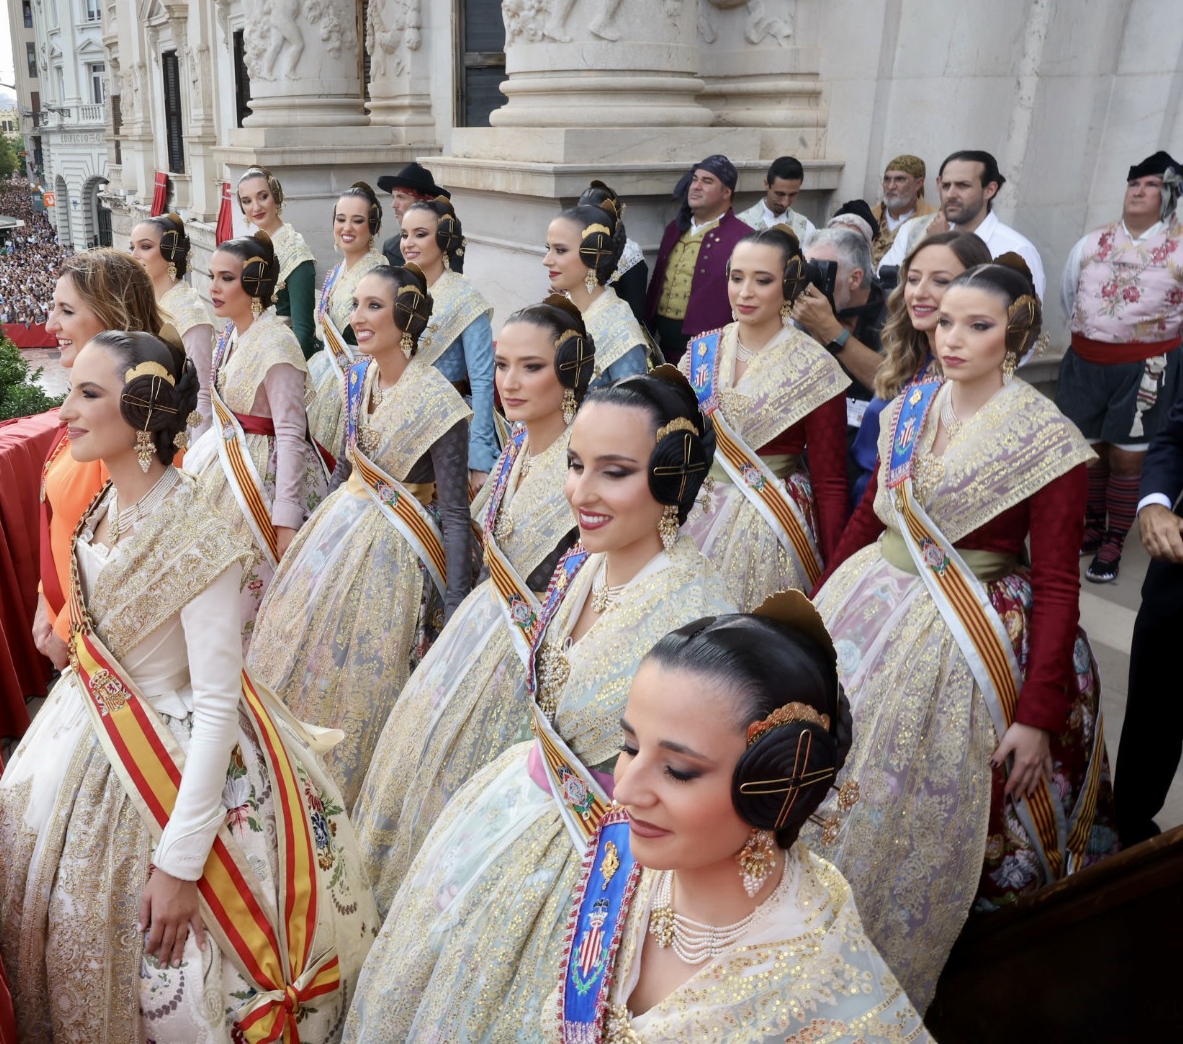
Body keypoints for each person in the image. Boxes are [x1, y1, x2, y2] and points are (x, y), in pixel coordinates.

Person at [0, 330, 376, 1043]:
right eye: (72, 391)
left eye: (88, 394)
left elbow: (219, 702)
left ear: (141, 412)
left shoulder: (197, 537)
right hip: (88, 736)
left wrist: (179, 863)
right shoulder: (106, 505)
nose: (66, 410)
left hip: (172, 769)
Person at [345, 371, 736, 1043]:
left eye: (614, 472)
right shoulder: (582, 566)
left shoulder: (698, 622)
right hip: (515, 814)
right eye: (576, 465)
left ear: (670, 476)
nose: (581, 492)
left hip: (596, 872)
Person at [807, 256, 1116, 1011]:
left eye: (977, 326)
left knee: (940, 803)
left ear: (1016, 336)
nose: (952, 338)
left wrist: (1038, 714)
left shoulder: (1049, 441)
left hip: (974, 637)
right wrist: (812, 615)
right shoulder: (909, 407)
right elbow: (869, 518)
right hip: (870, 607)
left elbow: (1057, 583)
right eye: (945, 321)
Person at [544, 594, 930, 1043]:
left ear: (776, 785)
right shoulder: (624, 865)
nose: (624, 791)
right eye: (630, 748)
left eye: (678, 771)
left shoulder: (816, 982)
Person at [353, 297, 594, 910]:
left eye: (531, 367)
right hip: (480, 632)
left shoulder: (587, 468)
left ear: (569, 371)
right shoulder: (519, 447)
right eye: (503, 365)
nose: (509, 382)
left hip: (531, 657)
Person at [247, 264, 475, 805]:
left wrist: (457, 604)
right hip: (337, 534)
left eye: (374, 306)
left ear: (407, 316)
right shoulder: (357, 378)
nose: (358, 318)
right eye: (355, 305)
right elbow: (346, 468)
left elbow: (455, 511)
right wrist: (311, 533)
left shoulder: (441, 404)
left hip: (398, 559)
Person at [680, 225, 851, 610]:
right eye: (737, 278)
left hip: (771, 525)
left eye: (762, 280)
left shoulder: (816, 367)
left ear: (788, 284)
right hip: (695, 510)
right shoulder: (702, 351)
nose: (745, 292)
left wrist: (834, 573)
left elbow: (830, 481)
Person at [184, 231, 328, 632]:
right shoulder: (231, 335)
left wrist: (286, 519)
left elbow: (291, 432)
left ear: (255, 284)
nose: (214, 288)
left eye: (226, 278)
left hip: (265, 482)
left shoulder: (277, 345)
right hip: (225, 468)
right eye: (212, 276)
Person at [32, 249, 166, 669]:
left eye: (66, 311)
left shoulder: (129, 424)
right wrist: (45, 599)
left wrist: (65, 627)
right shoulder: (93, 413)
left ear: (111, 316)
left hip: (100, 644)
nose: (50, 325)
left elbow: (132, 554)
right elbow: (66, 525)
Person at [1056, 150, 1183, 583]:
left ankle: (1114, 538)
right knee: (1088, 455)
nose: (1138, 191)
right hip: (1086, 365)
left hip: (1145, 369)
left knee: (1128, 460)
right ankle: (1093, 526)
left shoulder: (1180, 247)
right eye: (1134, 184)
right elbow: (1069, 295)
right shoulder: (1092, 243)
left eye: (1151, 185)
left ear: (1170, 195)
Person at [851, 230, 993, 505]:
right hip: (864, 506)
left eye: (940, 281)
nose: (919, 293)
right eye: (913, 279)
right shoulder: (908, 359)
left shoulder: (979, 381)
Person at [1115, 359, 1183, 846]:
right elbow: (1174, 438)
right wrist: (1155, 502)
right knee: (1150, 728)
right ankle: (1129, 838)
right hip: (1178, 587)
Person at [398, 195, 499, 486]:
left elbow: (482, 380)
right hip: (397, 419)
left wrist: (479, 455)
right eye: (404, 235)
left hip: (448, 425)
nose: (409, 243)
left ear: (443, 240)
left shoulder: (466, 298)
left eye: (420, 234)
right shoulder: (395, 289)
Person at [793, 226, 888, 489]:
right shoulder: (808, 312)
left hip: (873, 460)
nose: (811, 280)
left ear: (855, 279)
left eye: (821, 270)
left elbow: (893, 383)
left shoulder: (894, 314)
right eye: (808, 268)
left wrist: (831, 331)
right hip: (818, 453)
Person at [879, 150, 1046, 297]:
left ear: (990, 190)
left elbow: (1025, 317)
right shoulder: (913, 230)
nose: (951, 194)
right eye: (946, 186)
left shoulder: (1016, 250)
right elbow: (886, 288)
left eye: (963, 186)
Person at [644, 155, 755, 366]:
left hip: (712, 354)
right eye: (695, 179)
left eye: (707, 181)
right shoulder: (674, 228)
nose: (696, 186)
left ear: (726, 192)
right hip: (662, 347)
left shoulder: (743, 238)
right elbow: (657, 282)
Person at [305, 182, 388, 454]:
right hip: (324, 373)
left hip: (359, 382)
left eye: (357, 220)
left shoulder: (380, 274)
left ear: (372, 226)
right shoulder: (334, 273)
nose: (347, 228)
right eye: (341, 219)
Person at [543, 196, 655, 387]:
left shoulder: (620, 328)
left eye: (560, 250)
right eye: (548, 248)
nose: (546, 260)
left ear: (594, 255)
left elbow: (630, 402)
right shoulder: (559, 309)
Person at [130, 211, 214, 438]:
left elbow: (202, 393)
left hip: (176, 434)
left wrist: (196, 453)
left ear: (170, 252)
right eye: (132, 247)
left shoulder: (190, 313)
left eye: (145, 247)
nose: (134, 256)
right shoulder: (143, 302)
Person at [236, 167, 318, 357]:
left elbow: (303, 331)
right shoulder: (251, 248)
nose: (256, 207)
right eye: (247, 201)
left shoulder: (296, 252)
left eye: (262, 197)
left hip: (281, 354)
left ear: (276, 196)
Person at [578, 180, 650, 324]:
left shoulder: (629, 254)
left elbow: (634, 312)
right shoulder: (574, 245)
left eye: (593, 214)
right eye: (580, 214)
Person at [376, 160, 448, 267]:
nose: (393, 205)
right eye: (393, 197)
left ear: (423, 202)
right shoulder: (390, 248)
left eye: (401, 197)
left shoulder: (448, 247)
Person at [872, 154, 935, 265]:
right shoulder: (869, 215)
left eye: (900, 180)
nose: (890, 186)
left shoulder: (933, 220)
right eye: (887, 179)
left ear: (918, 184)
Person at [736, 156, 814, 242]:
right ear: (766, 184)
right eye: (780, 194)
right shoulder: (740, 224)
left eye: (792, 195)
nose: (785, 203)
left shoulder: (807, 229)